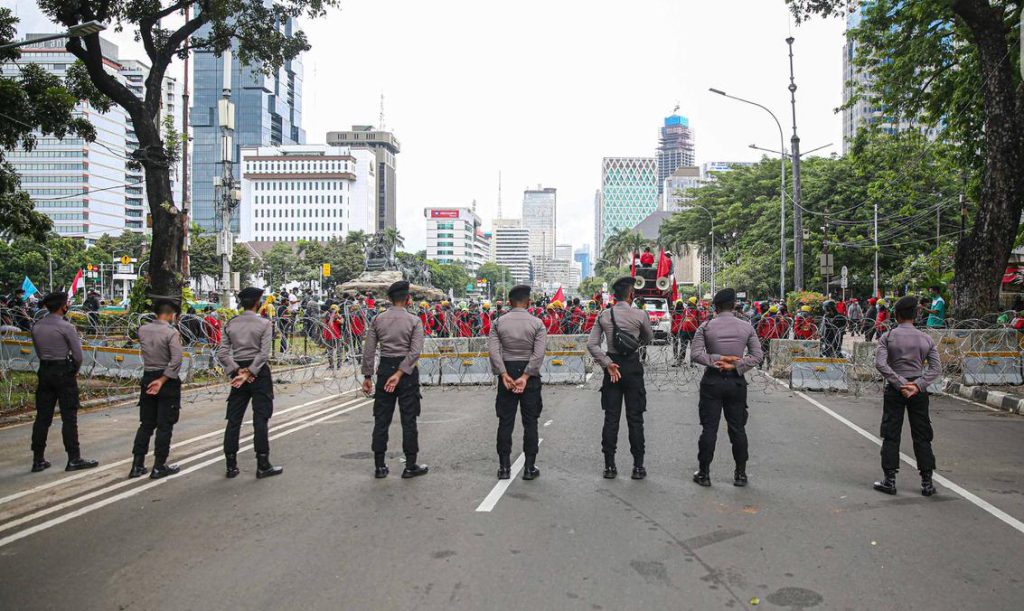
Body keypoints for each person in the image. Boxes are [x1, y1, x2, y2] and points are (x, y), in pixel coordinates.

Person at [690, 288, 763, 487]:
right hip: (736, 382)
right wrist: (735, 364)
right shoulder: (746, 327)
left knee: (709, 429)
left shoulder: (705, 327)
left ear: (716, 306)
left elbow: (696, 355)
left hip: (712, 380)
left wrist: (718, 359)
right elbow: (758, 356)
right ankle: (740, 474)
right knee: (738, 429)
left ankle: (704, 474)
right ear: (733, 306)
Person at [873, 295, 941, 497]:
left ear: (896, 314)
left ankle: (890, 480)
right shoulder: (926, 338)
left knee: (891, 433)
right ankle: (927, 482)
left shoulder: (888, 337)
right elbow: (936, 368)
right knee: (922, 434)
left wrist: (900, 383)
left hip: (896, 389)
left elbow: (881, 364)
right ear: (916, 314)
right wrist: (917, 385)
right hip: (918, 391)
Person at [587, 275, 654, 480]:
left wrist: (607, 364)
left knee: (611, 418)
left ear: (614, 296)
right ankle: (638, 467)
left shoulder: (604, 315)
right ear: (631, 294)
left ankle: (609, 466)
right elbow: (648, 338)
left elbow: (592, 344)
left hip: (612, 368)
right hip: (632, 366)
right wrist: (634, 341)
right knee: (635, 419)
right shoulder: (640, 315)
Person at [361, 281, 429, 479]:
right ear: (408, 299)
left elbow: (369, 350)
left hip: (384, 369)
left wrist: (367, 375)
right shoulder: (414, 321)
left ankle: (379, 465)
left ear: (389, 299)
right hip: (406, 373)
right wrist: (400, 373)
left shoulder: (377, 320)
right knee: (409, 419)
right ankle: (410, 465)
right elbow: (415, 351)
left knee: (381, 418)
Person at [218, 287, 283, 479]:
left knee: (233, 419)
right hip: (258, 372)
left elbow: (222, 353)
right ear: (258, 302)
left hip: (237, 371)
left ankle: (231, 465)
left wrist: (238, 371)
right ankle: (263, 464)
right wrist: (250, 372)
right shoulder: (264, 323)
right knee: (260, 418)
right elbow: (264, 354)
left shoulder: (231, 323)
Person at [29, 292, 98, 473]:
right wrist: (72, 371)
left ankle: (38, 459)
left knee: (42, 417)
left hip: (45, 370)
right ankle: (74, 458)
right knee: (69, 417)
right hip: (63, 372)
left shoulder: (37, 326)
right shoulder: (66, 327)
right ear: (63, 307)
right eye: (67, 303)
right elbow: (78, 356)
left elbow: (38, 350)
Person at [487, 284, 547, 480]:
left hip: (507, 372)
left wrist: (503, 374)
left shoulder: (498, 323)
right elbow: (538, 354)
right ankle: (529, 468)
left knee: (505, 422)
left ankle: (504, 468)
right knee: (531, 422)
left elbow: (494, 351)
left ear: (509, 302)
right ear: (529, 302)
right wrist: (526, 376)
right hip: (529, 377)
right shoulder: (537, 323)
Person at [130, 301, 183, 479]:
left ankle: (137, 464)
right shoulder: (171, 332)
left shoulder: (143, 330)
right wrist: (162, 380)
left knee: (146, 423)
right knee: (164, 425)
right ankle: (159, 465)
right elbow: (176, 361)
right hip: (166, 380)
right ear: (170, 315)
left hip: (147, 376)